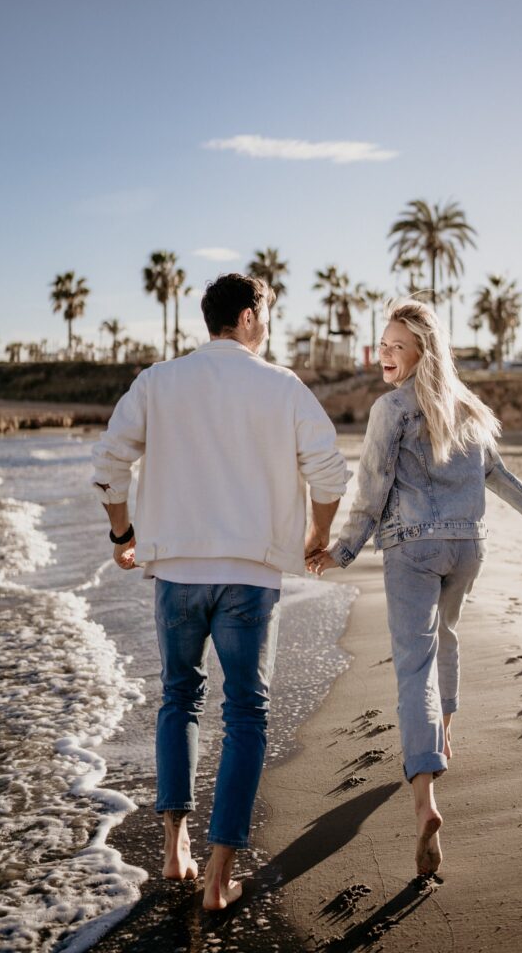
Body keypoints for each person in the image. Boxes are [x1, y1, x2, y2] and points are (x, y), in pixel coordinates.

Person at [92, 273, 349, 910]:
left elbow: (109, 465)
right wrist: (317, 537)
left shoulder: (157, 381)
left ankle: (174, 848)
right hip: (250, 576)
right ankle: (218, 875)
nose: (269, 324)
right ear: (247, 317)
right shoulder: (281, 386)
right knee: (245, 714)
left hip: (176, 571)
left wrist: (123, 531)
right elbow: (328, 470)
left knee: (179, 697)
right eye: (267, 312)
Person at [306, 298, 522, 877]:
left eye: (395, 347)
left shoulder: (391, 410)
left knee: (413, 663)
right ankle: (445, 733)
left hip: (413, 547)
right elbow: (496, 475)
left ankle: (426, 797)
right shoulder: (469, 409)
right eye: (383, 346)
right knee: (446, 637)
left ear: (421, 352)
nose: (384, 356)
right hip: (467, 546)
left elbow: (371, 490)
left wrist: (341, 549)